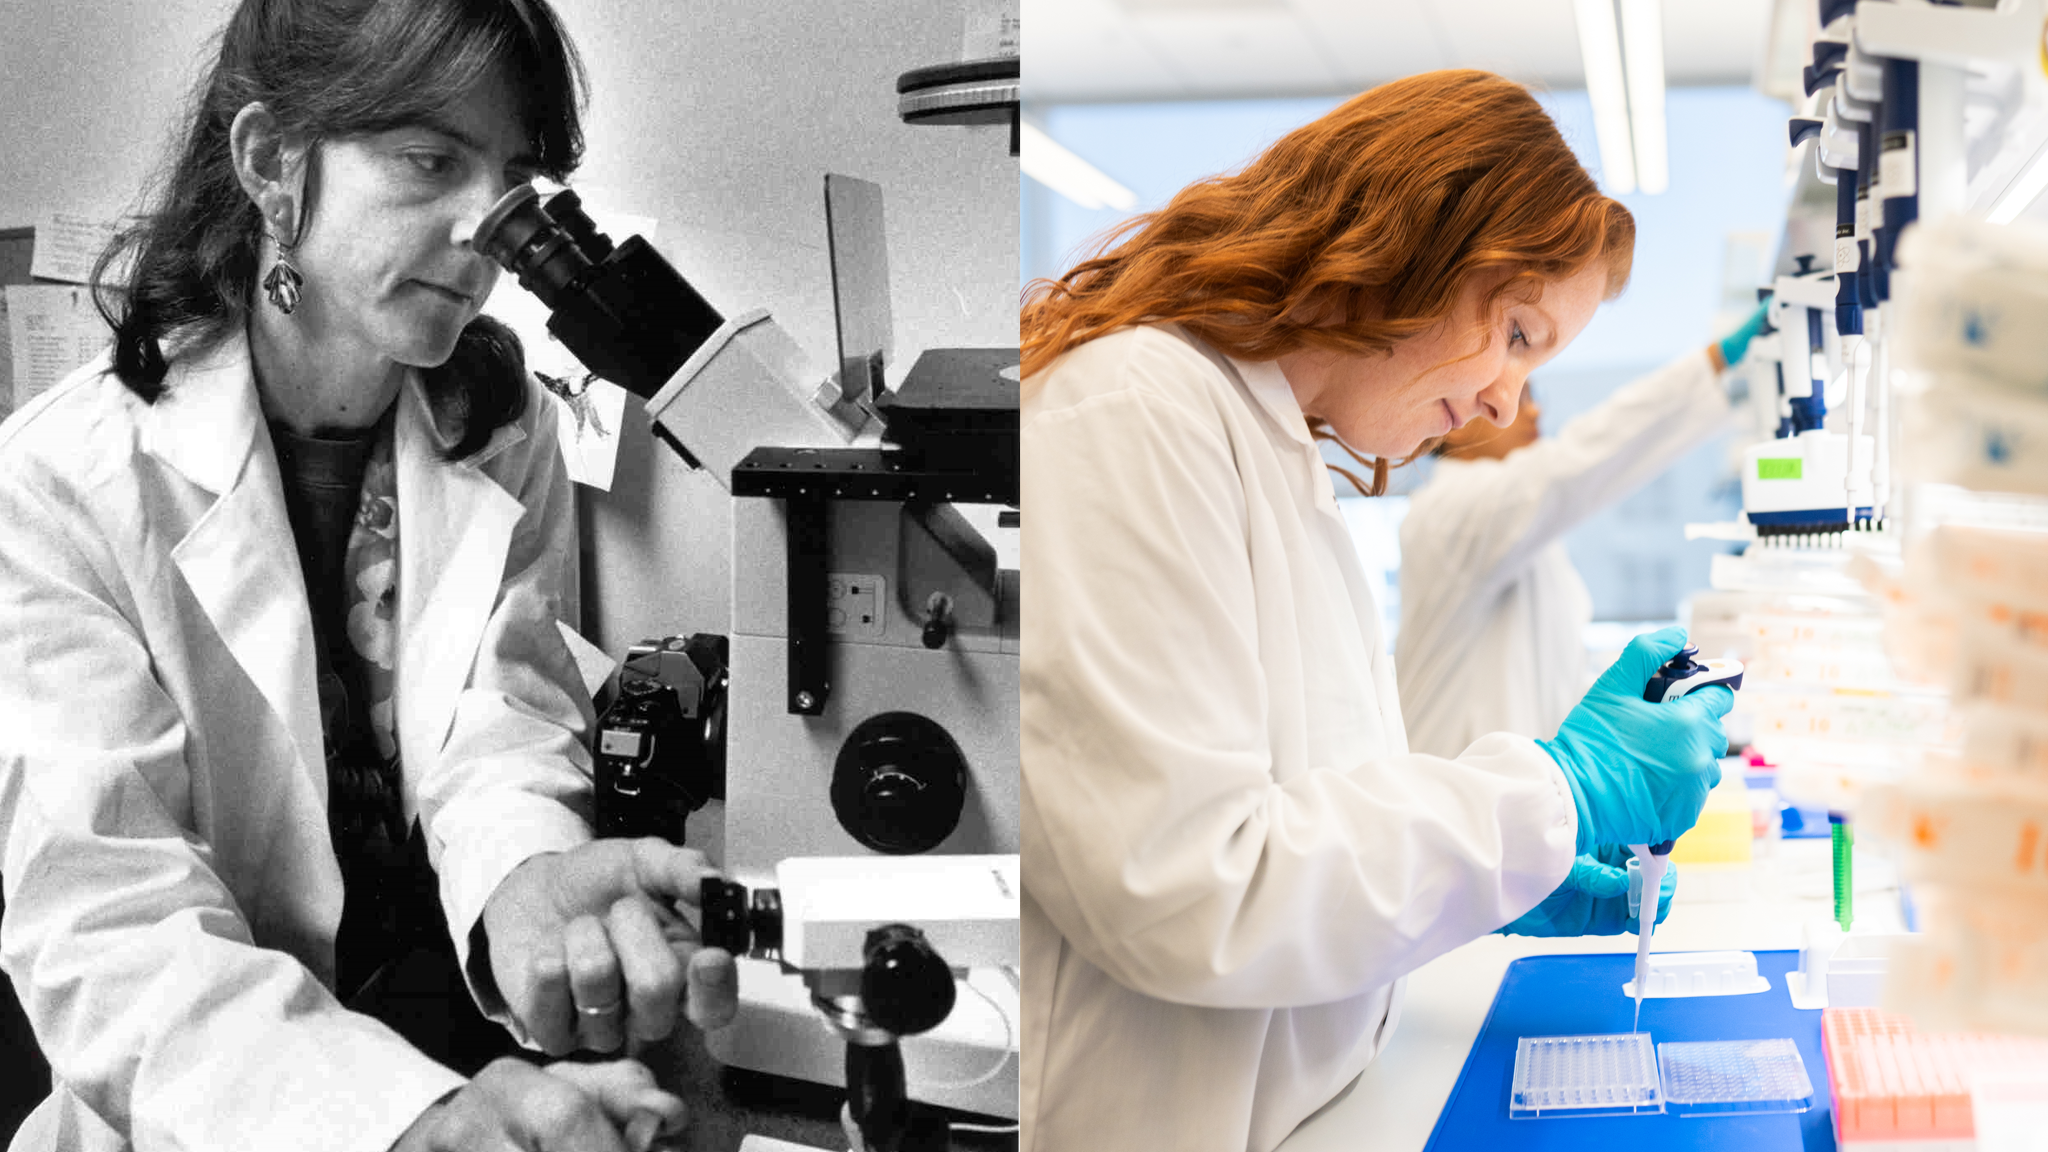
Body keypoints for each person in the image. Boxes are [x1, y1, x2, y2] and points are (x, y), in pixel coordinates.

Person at [0, 2, 735, 1149]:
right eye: (429, 160)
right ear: (270, 164)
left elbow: (501, 722)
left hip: (461, 1054)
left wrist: (528, 876)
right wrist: (398, 1121)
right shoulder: (54, 484)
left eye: (514, 178)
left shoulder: (505, 429)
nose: (487, 229)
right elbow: (109, 921)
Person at [1019, 70, 1735, 1152]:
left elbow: (1306, 814)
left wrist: (1490, 883)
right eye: (1517, 333)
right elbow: (1187, 887)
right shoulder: (1132, 411)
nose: (1504, 399)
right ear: (1413, 243)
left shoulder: (1277, 455)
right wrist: (1558, 794)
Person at [1396, 307, 1768, 761]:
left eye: (1532, 392)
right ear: (1451, 419)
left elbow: (1554, 682)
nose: (1532, 409)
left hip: (1514, 787)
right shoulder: (1450, 513)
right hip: (1454, 790)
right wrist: (1715, 361)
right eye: (1520, 394)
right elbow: (1580, 459)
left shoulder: (1519, 534)